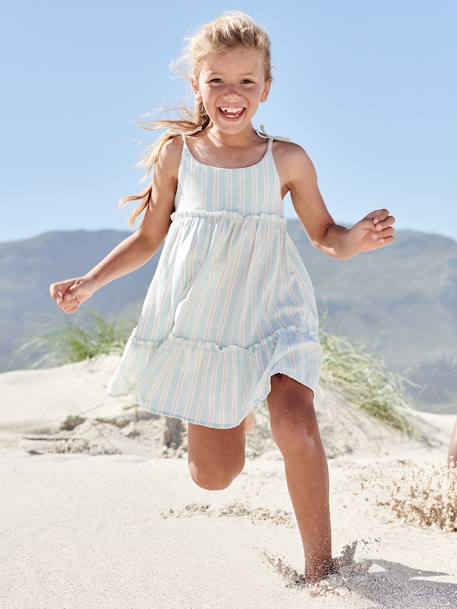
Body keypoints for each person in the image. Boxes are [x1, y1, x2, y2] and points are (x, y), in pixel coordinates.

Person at [49, 10, 396, 583]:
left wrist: (354, 240)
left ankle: (322, 571)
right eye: (217, 82)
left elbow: (324, 237)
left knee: (297, 423)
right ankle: (234, 412)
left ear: (266, 87)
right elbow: (148, 237)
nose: (232, 95)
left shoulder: (288, 159)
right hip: (208, 326)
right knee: (214, 476)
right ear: (197, 85)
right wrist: (89, 282)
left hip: (276, 310)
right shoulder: (177, 156)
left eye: (246, 82)